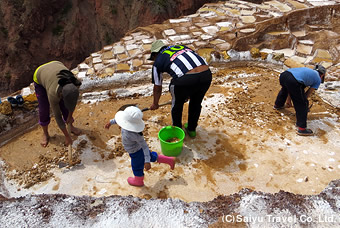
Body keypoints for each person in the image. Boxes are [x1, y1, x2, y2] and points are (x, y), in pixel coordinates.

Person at [148, 40, 212, 138]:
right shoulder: (182, 47)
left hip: (185, 80)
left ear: (155, 54)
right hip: (206, 75)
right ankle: (191, 129)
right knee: (196, 102)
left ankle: (177, 131)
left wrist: (155, 103)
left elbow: (157, 87)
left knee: (177, 103)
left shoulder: (157, 62)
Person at [105, 106, 175, 187]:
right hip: (137, 150)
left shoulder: (135, 135)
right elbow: (118, 120)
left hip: (136, 152)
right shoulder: (126, 123)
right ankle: (169, 160)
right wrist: (110, 122)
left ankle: (138, 181)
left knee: (137, 167)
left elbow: (145, 147)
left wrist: (147, 162)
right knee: (151, 156)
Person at [33, 61, 82, 147]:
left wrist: (69, 116)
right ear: (60, 94)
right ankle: (45, 133)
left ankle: (71, 126)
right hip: (40, 75)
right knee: (44, 109)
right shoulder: (53, 94)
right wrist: (67, 137)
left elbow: (72, 104)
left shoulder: (75, 85)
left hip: (56, 65)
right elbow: (57, 116)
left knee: (66, 108)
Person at [273, 64, 326, 136]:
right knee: (302, 103)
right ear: (322, 75)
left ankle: (278, 105)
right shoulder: (318, 79)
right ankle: (302, 129)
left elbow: (291, 87)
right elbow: (308, 93)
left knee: (285, 89)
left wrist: (289, 100)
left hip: (284, 75)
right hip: (293, 80)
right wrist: (303, 102)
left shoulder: (308, 72)